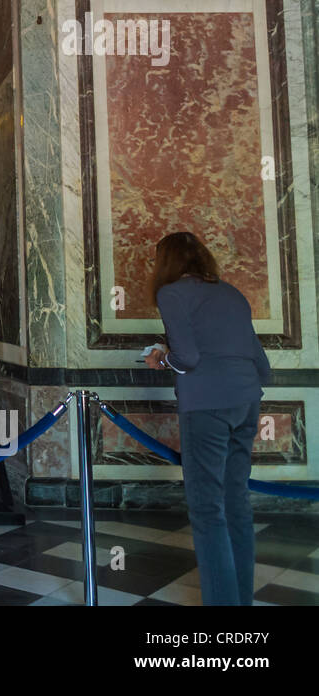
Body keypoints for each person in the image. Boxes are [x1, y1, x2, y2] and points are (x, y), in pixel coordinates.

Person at [143, 231, 270, 606]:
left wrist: (161, 358)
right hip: (246, 401)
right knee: (236, 504)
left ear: (165, 263)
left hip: (206, 406)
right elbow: (263, 366)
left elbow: (188, 359)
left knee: (207, 510)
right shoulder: (231, 293)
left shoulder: (171, 294)